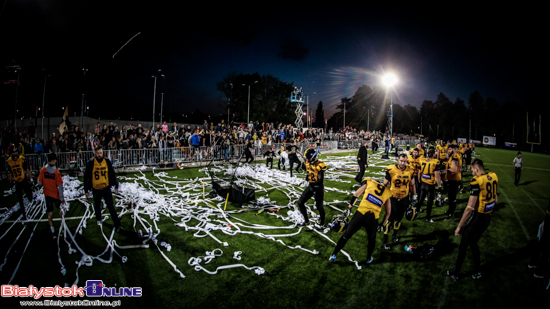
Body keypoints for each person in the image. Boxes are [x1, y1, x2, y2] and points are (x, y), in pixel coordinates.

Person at [447, 159, 497, 280]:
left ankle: (456, 273)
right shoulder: (493, 176)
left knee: (464, 244)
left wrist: (459, 226)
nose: (472, 173)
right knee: (474, 243)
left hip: (478, 217)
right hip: (487, 217)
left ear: (477, 169)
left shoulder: (477, 181)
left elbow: (469, 208)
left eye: (473, 170)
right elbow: (495, 198)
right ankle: (477, 271)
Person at [329, 178, 392, 264]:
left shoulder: (369, 182)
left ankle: (334, 255)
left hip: (361, 214)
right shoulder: (387, 192)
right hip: (373, 218)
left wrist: (349, 207)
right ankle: (368, 259)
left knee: (346, 235)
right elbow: (388, 212)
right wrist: (382, 224)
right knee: (371, 240)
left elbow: (356, 194)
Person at [381, 153, 416, 250]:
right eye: (401, 161)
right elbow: (385, 184)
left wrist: (414, 197)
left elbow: (412, 185)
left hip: (404, 198)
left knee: (399, 218)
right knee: (389, 219)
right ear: (398, 160)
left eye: (405, 161)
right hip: (393, 198)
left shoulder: (410, 170)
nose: (403, 163)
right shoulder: (391, 170)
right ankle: (385, 240)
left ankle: (394, 235)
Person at [84, 145, 122, 231]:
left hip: (106, 188)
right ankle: (99, 218)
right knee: (97, 205)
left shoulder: (107, 161)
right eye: (97, 153)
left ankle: (117, 224)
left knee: (111, 207)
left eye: (100, 152)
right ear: (95, 153)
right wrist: (86, 190)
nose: (99, 154)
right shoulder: (91, 163)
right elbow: (86, 177)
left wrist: (116, 185)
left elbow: (112, 173)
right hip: (96, 188)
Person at [297, 148, 328, 230]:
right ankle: (306, 221)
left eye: (307, 158)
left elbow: (319, 180)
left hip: (318, 188)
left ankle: (322, 223)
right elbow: (309, 173)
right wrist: (306, 180)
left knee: (319, 206)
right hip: (311, 186)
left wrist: (310, 182)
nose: (306, 159)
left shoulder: (320, 165)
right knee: (300, 202)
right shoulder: (308, 163)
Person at [38, 153, 66, 240]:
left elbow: (39, 183)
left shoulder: (43, 170)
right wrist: (62, 199)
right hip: (56, 195)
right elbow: (60, 186)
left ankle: (53, 232)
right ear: (53, 160)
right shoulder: (56, 172)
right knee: (60, 211)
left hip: (47, 195)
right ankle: (64, 228)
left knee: (50, 214)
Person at [7, 147, 33, 223]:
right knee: (20, 199)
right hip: (17, 182)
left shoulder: (21, 159)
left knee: (29, 193)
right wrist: (11, 182)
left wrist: (30, 178)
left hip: (23, 180)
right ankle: (24, 214)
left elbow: (26, 169)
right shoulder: (9, 161)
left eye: (15, 153)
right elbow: (10, 173)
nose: (15, 154)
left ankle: (30, 200)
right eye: (13, 153)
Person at [417, 148, 441, 222]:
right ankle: (428, 218)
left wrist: (419, 180)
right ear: (434, 155)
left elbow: (419, 172)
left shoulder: (423, 160)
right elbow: (437, 175)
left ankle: (415, 214)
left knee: (420, 200)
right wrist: (439, 186)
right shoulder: (435, 162)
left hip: (423, 182)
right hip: (430, 184)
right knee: (429, 202)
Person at [528, 197, 550, 278]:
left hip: (548, 215)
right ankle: (539, 271)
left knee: (542, 241)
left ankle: (533, 262)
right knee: (547, 248)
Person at [444, 145, 463, 221]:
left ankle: (450, 215)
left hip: (454, 179)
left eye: (450, 149)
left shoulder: (454, 156)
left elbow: (454, 169)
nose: (449, 151)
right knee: (451, 197)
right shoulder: (457, 155)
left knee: (452, 198)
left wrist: (443, 171)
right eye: (448, 149)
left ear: (454, 149)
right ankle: (449, 211)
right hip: (456, 178)